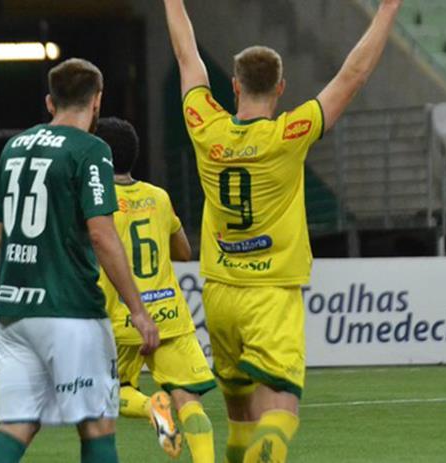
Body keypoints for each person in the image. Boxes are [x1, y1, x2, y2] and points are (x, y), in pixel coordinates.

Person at [163, 0, 404, 461]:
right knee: (280, 414)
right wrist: (388, 9)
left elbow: (186, 56)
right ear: (281, 88)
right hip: (269, 294)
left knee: (239, 421)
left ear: (233, 86)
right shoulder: (289, 135)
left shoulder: (205, 128)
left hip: (218, 294)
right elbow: (352, 77)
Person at [0, 58, 159, 463]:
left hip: (14, 312)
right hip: (70, 311)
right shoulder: (92, 150)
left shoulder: (13, 148)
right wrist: (138, 310)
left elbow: (1, 231)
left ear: (49, 101)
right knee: (97, 425)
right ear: (97, 101)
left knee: (16, 427)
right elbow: (101, 233)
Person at [95, 117, 217, 463]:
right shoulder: (158, 197)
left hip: (119, 316)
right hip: (168, 314)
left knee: (109, 394)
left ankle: (151, 406)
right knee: (189, 400)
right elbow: (183, 252)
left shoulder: (94, 203)